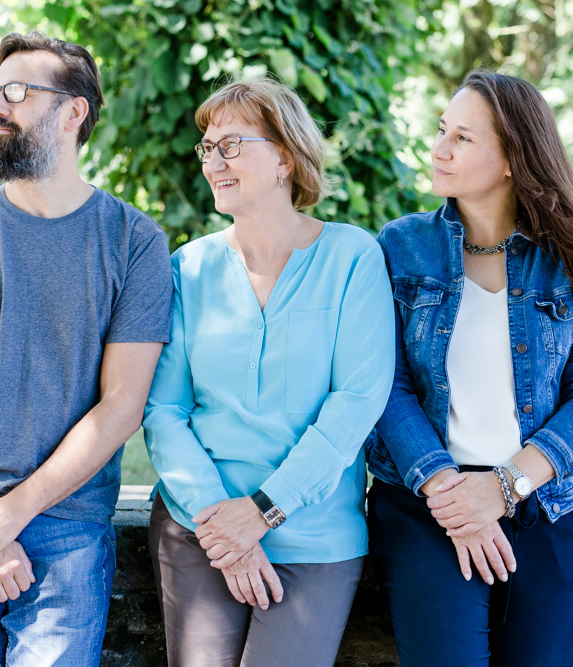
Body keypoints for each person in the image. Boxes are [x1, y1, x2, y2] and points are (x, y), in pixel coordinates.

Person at [0, 31, 172, 665]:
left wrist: (12, 515)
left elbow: (122, 406)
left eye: (18, 92)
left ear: (75, 113)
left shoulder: (136, 243)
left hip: (66, 526)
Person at [366, 70, 573, 666]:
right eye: (440, 131)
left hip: (548, 504)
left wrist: (505, 487)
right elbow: (384, 383)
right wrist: (453, 493)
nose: (438, 149)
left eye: (462, 138)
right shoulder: (401, 247)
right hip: (428, 503)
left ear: (512, 157)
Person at [142, 77, 394, 667]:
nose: (213, 161)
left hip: (313, 532)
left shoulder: (352, 258)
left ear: (285, 155)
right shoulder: (190, 267)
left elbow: (356, 402)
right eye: (208, 147)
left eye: (231, 144)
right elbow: (162, 411)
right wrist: (220, 521)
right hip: (198, 521)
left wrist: (261, 512)